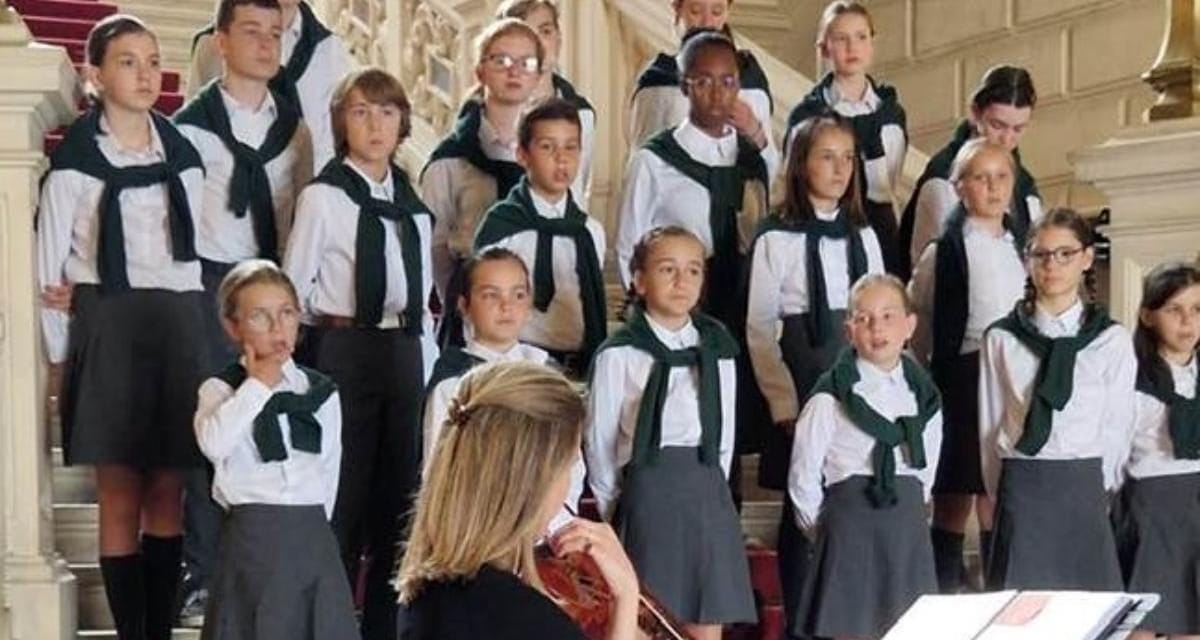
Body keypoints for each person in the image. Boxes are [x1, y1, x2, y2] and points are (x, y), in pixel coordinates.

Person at [36, 14, 207, 639]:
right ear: (96, 75)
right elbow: (48, 266)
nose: (144, 73)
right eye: (128, 61)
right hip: (108, 325)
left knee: (169, 492)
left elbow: (194, 260)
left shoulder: (183, 159)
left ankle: (159, 630)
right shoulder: (77, 162)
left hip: (176, 325)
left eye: (152, 59)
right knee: (119, 495)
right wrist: (61, 354)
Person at [282, 66, 435, 640]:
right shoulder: (324, 197)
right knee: (342, 498)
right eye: (361, 112)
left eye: (387, 112)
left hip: (402, 351)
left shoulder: (413, 205)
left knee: (396, 502)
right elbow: (294, 287)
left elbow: (424, 297)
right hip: (343, 347)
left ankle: (383, 630)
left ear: (403, 123)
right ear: (342, 123)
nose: (375, 125)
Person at [173, 0, 313, 619]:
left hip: (271, 284)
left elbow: (298, 215)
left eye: (274, 34)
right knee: (217, 426)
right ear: (221, 42)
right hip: (209, 283)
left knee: (268, 426)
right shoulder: (189, 127)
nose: (264, 44)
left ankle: (260, 571)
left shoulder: (296, 128)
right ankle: (201, 570)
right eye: (250, 32)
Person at [744, 114, 884, 635]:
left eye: (847, 158)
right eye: (826, 156)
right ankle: (802, 620)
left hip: (855, 369)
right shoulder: (776, 237)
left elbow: (878, 308)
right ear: (800, 164)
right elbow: (759, 327)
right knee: (801, 504)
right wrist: (783, 403)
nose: (839, 168)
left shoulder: (862, 234)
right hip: (800, 369)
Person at [587, 226, 757, 640]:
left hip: (705, 491)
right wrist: (617, 504)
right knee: (648, 618)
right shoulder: (620, 353)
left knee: (705, 619)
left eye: (693, 271)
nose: (682, 281)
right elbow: (600, 439)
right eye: (668, 270)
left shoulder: (717, 349)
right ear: (639, 280)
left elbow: (725, 436)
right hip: (648, 495)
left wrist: (714, 487)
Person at [397, 361, 641, 640]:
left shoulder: (425, 591)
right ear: (535, 482)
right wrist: (626, 594)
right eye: (569, 466)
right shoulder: (527, 619)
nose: (567, 487)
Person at [193, 260, 356, 640]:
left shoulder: (321, 392)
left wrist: (312, 525)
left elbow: (329, 468)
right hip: (253, 537)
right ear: (233, 327)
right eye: (260, 317)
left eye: (286, 313)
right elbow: (214, 443)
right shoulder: (220, 391)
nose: (277, 327)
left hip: (311, 535)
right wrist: (258, 387)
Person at [979, 208, 1136, 590]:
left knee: (1086, 608)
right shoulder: (1002, 338)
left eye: (1065, 253)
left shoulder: (1110, 340)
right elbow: (990, 422)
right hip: (1023, 483)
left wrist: (1098, 486)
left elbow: (1117, 425)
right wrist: (998, 489)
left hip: (1083, 482)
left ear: (1085, 259)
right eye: (1041, 254)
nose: (1053, 265)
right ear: (1027, 260)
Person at [788, 274, 941, 640]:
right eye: (864, 318)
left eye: (889, 316)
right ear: (849, 331)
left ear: (910, 326)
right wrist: (826, 529)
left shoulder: (924, 399)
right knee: (850, 629)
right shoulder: (829, 398)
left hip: (905, 528)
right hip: (848, 528)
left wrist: (912, 507)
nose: (877, 327)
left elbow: (928, 467)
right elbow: (804, 475)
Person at [907, 138, 1028, 592]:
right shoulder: (945, 252)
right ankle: (945, 579)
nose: (993, 188)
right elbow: (920, 324)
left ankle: (998, 583)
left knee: (999, 489)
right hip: (962, 375)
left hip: (1014, 376)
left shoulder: (1025, 248)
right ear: (960, 187)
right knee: (956, 486)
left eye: (1002, 177)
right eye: (981, 178)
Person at [421, 18, 547, 347]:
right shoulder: (452, 158)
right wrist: (462, 296)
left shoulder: (546, 150)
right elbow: (436, 246)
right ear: (480, 71)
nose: (514, 71)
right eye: (501, 60)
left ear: (538, 75)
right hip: (473, 310)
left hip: (536, 313)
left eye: (526, 63)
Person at [473, 98, 606, 375]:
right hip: (515, 363)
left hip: (577, 363)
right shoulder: (504, 226)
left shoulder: (588, 230)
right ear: (522, 155)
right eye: (547, 147)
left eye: (571, 147)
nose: (562, 158)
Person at [785, 1, 907, 276]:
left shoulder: (891, 114)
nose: (852, 48)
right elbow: (793, 183)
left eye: (861, 37)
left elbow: (888, 184)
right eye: (841, 39)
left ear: (872, 43)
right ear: (825, 47)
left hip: (880, 231)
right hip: (821, 229)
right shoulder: (807, 117)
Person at [1115, 262, 1200, 640]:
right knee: (1143, 622)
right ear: (1148, 315)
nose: (1187, 322)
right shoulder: (1131, 378)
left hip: (1195, 505)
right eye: (1174, 310)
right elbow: (1115, 450)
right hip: (1149, 507)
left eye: (1197, 310)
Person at [898, 65, 1042, 279]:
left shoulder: (1025, 187)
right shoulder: (942, 181)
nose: (1007, 139)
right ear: (975, 113)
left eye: (1018, 129)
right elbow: (933, 272)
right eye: (998, 125)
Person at [187, 0, 353, 171]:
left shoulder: (330, 49)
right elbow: (193, 135)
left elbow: (336, 139)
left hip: (308, 183)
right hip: (228, 185)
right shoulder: (214, 44)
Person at [629, 0, 773, 157]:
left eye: (716, 12)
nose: (707, 23)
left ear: (727, 12)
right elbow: (641, 157)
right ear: (677, 9)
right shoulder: (659, 77)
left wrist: (753, 129)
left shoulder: (749, 74)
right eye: (696, 11)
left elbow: (768, 165)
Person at [494, 0, 597, 201]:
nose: (538, 43)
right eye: (525, 34)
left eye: (546, 31)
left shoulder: (582, 114)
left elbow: (575, 192)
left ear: (559, 38)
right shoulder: (488, 116)